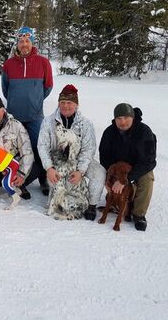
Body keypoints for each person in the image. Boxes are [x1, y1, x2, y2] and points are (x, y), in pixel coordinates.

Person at [38, 85, 106, 217]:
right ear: (58, 104)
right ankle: (57, 201)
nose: (66, 106)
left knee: (99, 173)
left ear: (76, 105)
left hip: (78, 159)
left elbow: (88, 149)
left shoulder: (86, 124)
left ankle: (91, 205)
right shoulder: (48, 122)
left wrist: (80, 170)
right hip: (57, 160)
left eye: (69, 103)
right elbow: (42, 146)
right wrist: (49, 167)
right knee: (57, 180)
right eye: (62, 102)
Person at [1, 26, 53, 196]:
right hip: (14, 116)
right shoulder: (8, 64)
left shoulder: (43, 62)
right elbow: (5, 88)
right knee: (16, 149)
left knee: (39, 148)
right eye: (21, 41)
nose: (24, 44)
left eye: (27, 41)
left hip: (35, 116)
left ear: (32, 42)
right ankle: (16, 178)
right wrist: (16, 101)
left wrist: (35, 100)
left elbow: (48, 87)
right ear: (17, 44)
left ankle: (42, 178)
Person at [99, 103, 156, 231]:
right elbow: (104, 156)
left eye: (126, 118)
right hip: (117, 169)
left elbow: (149, 160)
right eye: (119, 118)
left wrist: (127, 178)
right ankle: (115, 204)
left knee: (147, 178)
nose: (122, 122)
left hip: (138, 168)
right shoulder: (109, 132)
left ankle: (138, 214)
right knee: (102, 173)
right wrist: (110, 176)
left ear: (133, 117)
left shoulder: (144, 132)